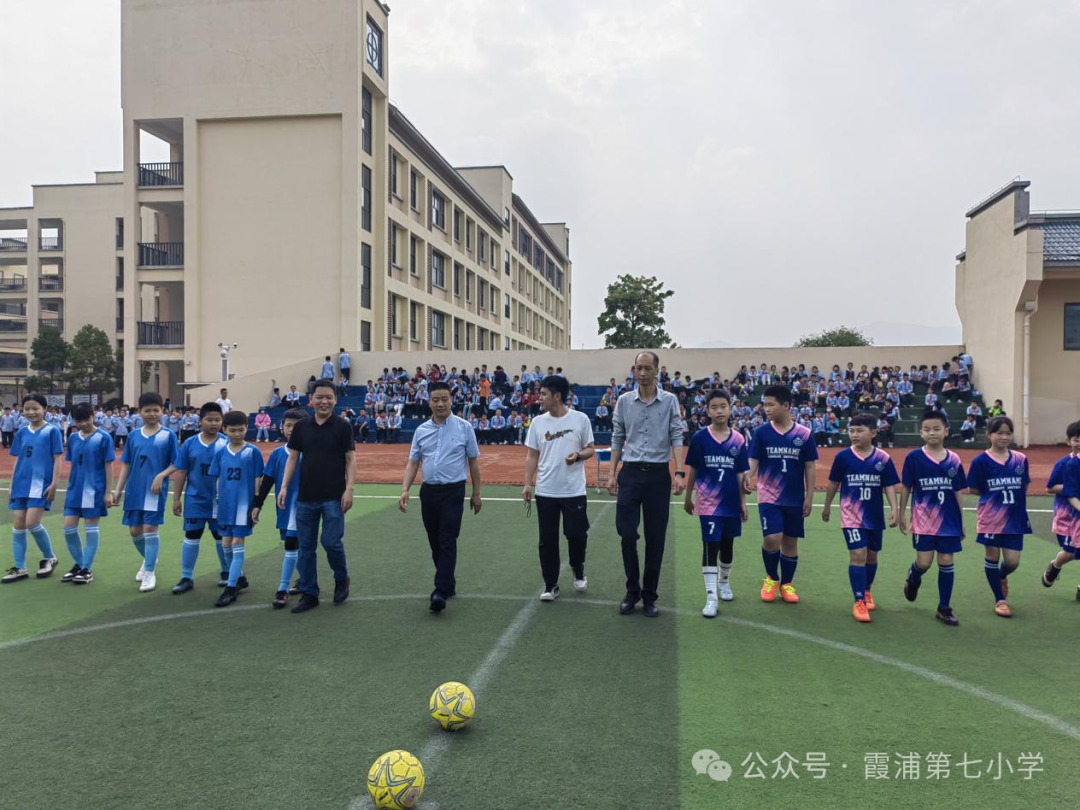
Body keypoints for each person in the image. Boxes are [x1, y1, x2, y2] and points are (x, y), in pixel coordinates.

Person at [608, 351, 686, 618]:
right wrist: (611, 472)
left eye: (646, 368)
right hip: (630, 474)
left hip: (657, 476)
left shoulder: (670, 401)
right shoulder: (623, 401)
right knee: (627, 533)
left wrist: (679, 473)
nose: (641, 373)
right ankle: (632, 590)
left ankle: (649, 596)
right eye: (637, 368)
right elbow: (618, 436)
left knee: (656, 537)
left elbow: (677, 434)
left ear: (657, 370)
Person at [399, 381, 482, 612]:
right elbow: (413, 462)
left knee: (447, 539)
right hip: (428, 492)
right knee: (435, 541)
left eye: (444, 399)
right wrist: (405, 489)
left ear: (451, 400)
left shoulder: (464, 427)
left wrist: (476, 493)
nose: (440, 404)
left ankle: (439, 591)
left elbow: (473, 463)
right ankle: (448, 583)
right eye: (435, 400)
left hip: (453, 491)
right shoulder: (421, 430)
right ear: (429, 402)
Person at [280, 380, 355, 613]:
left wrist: (349, 489)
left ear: (336, 399)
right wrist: (283, 486)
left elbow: (350, 459)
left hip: (333, 497)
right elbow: (292, 458)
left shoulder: (343, 426)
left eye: (329, 397)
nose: (324, 401)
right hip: (306, 498)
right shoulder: (302, 427)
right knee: (306, 547)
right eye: (319, 397)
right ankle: (310, 592)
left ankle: (341, 579)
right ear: (311, 400)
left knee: (331, 542)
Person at [821, 413, 900, 623]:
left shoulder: (883, 458)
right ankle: (858, 601)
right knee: (858, 554)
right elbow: (833, 483)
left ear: (874, 433)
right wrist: (827, 506)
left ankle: (866, 590)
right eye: (851, 430)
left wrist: (895, 508)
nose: (854, 434)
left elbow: (889, 485)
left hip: (874, 517)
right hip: (851, 516)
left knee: (872, 557)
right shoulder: (843, 457)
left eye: (859, 430)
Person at [523, 375, 595, 602]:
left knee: (576, 534)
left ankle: (577, 567)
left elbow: (590, 449)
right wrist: (527, 483)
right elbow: (532, 455)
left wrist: (578, 456)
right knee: (547, 540)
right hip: (545, 491)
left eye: (543, 394)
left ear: (557, 396)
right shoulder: (537, 423)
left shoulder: (580, 419)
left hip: (573, 490)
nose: (539, 398)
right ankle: (550, 584)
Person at [748, 384, 818, 605]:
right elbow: (753, 461)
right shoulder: (761, 433)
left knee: (790, 541)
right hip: (768, 495)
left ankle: (786, 584)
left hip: (794, 497)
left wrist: (809, 497)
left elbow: (810, 466)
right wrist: (746, 477)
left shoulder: (804, 434)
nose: (766, 409)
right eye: (764, 404)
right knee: (772, 538)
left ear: (786, 405)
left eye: (771, 404)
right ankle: (772, 578)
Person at [682, 389, 749, 617]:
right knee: (711, 546)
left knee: (727, 547)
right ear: (707, 411)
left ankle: (724, 581)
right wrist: (688, 495)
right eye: (714, 407)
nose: (719, 411)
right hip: (708, 503)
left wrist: (743, 501)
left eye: (723, 406)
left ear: (730, 408)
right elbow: (693, 469)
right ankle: (711, 597)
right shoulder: (700, 438)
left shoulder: (739, 439)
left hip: (730, 503)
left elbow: (741, 474)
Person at [898, 411, 967, 627]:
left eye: (937, 428)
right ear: (920, 433)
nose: (932, 433)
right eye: (927, 429)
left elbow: (957, 491)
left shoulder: (954, 459)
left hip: (949, 521)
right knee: (924, 563)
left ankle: (944, 607)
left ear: (946, 431)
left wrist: (962, 521)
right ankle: (914, 575)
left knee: (946, 561)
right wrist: (901, 513)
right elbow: (907, 486)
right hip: (923, 521)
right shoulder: (914, 457)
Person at [110, 392, 180, 594]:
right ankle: (150, 557)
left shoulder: (168, 435)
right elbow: (126, 465)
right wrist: (118, 490)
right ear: (139, 412)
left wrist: (162, 475)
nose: (151, 414)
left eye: (155, 410)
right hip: (135, 489)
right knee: (134, 531)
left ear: (162, 411)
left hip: (154, 491)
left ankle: (149, 571)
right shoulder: (133, 436)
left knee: (150, 529)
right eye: (147, 410)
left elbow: (177, 462)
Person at [156, 403, 229, 595]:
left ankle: (227, 572)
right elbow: (181, 472)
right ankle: (186, 577)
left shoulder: (226, 443)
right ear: (200, 421)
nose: (214, 423)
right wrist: (177, 498)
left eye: (218, 420)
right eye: (209, 419)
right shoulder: (190, 443)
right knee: (191, 536)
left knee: (221, 537)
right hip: (195, 499)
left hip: (219, 501)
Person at [965, 416, 1031, 618]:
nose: (1004, 437)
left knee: (1012, 562)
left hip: (1015, 517)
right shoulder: (981, 461)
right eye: (999, 433)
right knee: (992, 556)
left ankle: (1001, 576)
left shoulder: (1020, 459)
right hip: (991, 517)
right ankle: (1000, 599)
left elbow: (1024, 484)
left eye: (1008, 433)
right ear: (989, 435)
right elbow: (974, 489)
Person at [0, 395, 63, 584]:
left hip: (41, 484)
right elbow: (18, 459)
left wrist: (54, 483)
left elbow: (57, 458)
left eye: (35, 408)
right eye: (27, 409)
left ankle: (50, 557)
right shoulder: (22, 432)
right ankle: (20, 567)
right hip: (21, 483)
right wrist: (12, 484)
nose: (31, 412)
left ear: (44, 409)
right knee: (18, 525)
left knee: (32, 522)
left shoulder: (52, 431)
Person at [208, 411, 265, 607]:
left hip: (243, 505)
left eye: (241, 430)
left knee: (237, 541)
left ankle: (231, 588)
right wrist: (217, 500)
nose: (237, 434)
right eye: (232, 430)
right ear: (225, 430)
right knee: (225, 545)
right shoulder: (221, 453)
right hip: (225, 504)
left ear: (246, 429)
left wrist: (257, 502)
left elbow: (258, 477)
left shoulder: (252, 451)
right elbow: (217, 478)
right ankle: (239, 578)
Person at [253, 408, 307, 609]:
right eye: (288, 425)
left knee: (292, 544)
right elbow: (268, 480)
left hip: (304, 506)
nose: (292, 429)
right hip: (285, 506)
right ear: (282, 427)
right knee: (297, 543)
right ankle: (305, 579)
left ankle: (282, 589)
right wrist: (257, 504)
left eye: (297, 426)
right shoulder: (278, 453)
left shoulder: (311, 451)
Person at [58, 403, 115, 585]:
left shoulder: (103, 437)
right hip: (75, 489)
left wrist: (108, 492)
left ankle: (87, 569)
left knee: (91, 529)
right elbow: (74, 464)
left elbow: (108, 466)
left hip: (94, 490)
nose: (83, 423)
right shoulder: (73, 438)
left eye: (86, 419)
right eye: (78, 420)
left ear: (93, 416)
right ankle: (80, 564)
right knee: (68, 528)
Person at [1042, 421, 1080, 588]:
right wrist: (1072, 486)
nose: (1079, 444)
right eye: (1076, 439)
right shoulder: (1064, 464)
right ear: (1068, 441)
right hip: (1067, 517)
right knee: (1070, 552)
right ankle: (1055, 565)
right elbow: (1050, 488)